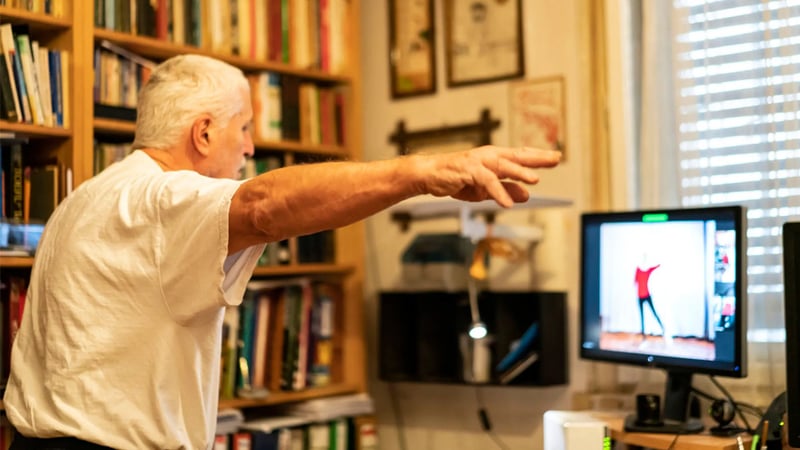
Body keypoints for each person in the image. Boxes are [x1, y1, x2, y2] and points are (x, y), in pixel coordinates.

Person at [2, 54, 561, 449]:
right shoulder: (162, 197)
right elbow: (264, 207)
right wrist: (421, 172)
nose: (249, 147)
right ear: (202, 134)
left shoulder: (83, 200)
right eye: (243, 129)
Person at [633, 252, 667, 344]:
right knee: (642, 317)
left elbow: (656, 266)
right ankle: (644, 336)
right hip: (640, 297)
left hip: (647, 295)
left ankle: (664, 330)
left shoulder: (648, 271)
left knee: (654, 313)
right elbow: (635, 281)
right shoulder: (638, 270)